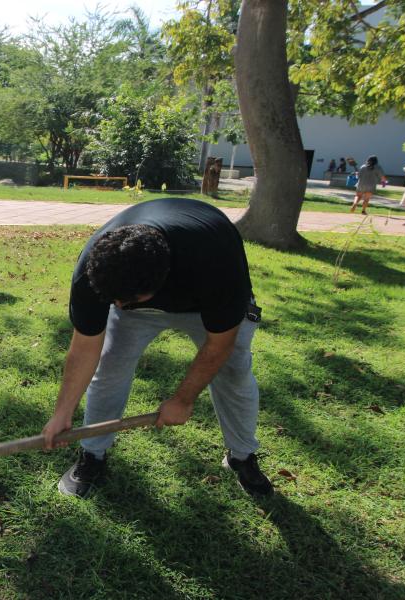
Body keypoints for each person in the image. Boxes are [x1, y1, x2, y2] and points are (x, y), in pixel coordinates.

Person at [41, 198, 273, 499]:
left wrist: (183, 399)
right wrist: (63, 411)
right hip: (142, 296)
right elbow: (85, 347)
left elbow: (220, 345)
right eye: (113, 301)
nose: (119, 307)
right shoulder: (96, 268)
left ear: (159, 285)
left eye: (126, 301)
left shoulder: (214, 262)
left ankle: (242, 456)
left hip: (205, 304)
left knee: (235, 372)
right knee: (110, 366)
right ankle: (92, 455)